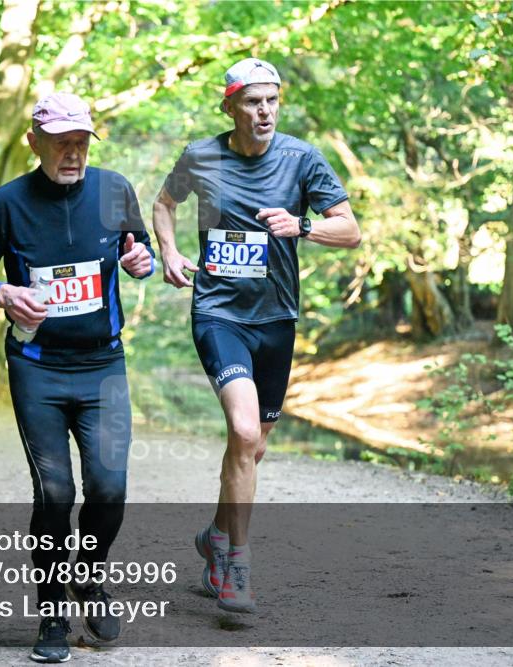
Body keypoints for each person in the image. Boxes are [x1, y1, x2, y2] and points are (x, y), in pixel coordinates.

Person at [152, 58, 361, 614]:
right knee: (244, 430)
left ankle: (216, 536)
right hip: (218, 312)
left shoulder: (301, 158)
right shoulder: (201, 156)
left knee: (255, 444)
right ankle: (236, 568)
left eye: (271, 100)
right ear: (230, 107)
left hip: (276, 318)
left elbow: (350, 230)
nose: (264, 111)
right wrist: (169, 252)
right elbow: (164, 204)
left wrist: (303, 225)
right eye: (252, 101)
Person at [0, 92, 155, 663]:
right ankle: (51, 615)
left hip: (103, 366)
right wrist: (2, 292)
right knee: (56, 493)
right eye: (61, 142)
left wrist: (141, 262)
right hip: (37, 367)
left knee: (109, 490)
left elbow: (137, 250)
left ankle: (87, 577)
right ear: (34, 142)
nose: (73, 153)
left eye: (81, 142)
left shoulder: (114, 190)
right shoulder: (6, 204)